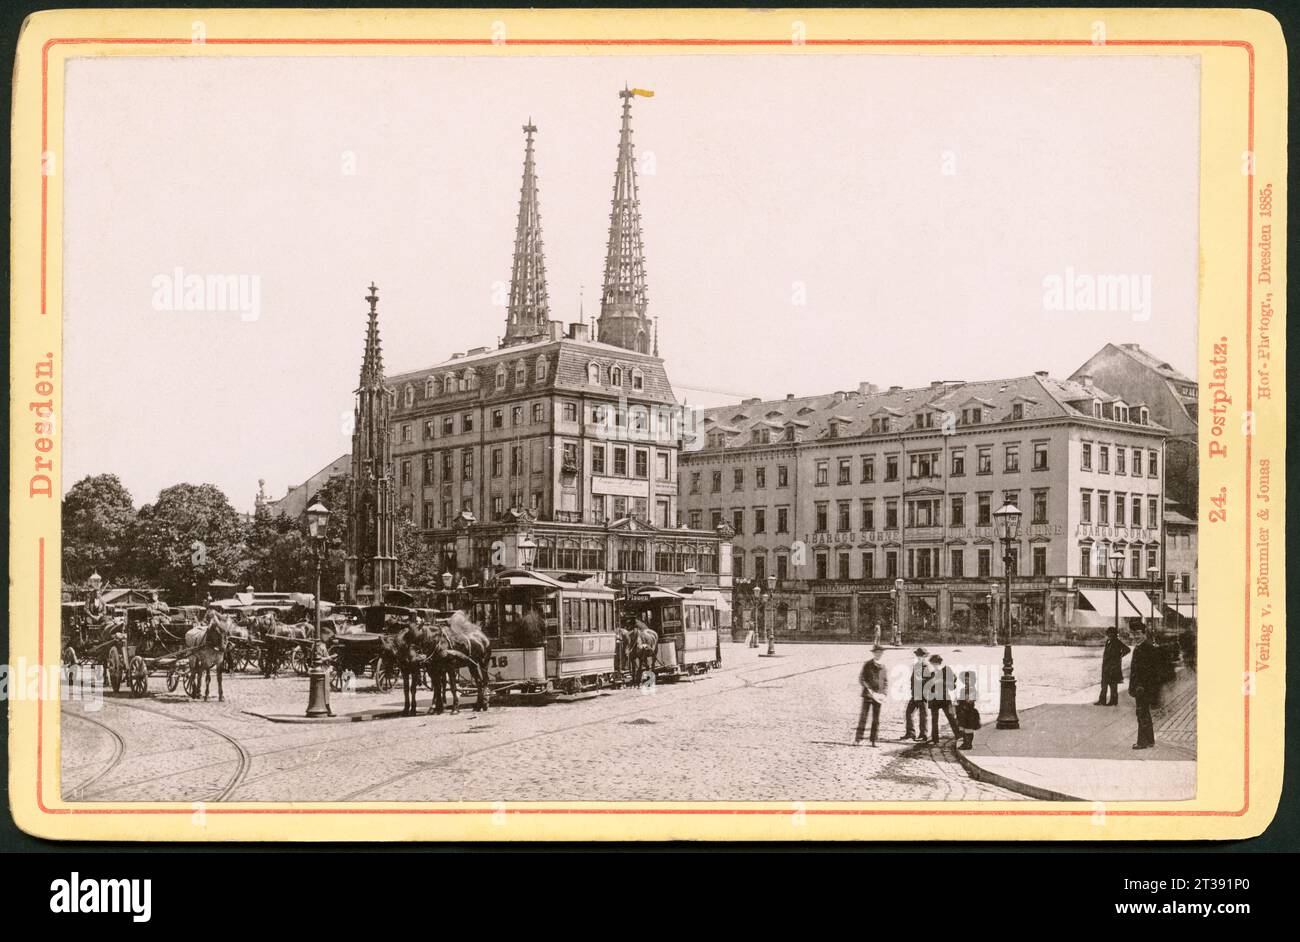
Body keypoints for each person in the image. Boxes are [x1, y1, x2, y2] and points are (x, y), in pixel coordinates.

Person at [1128, 625, 1160, 749]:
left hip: (1142, 687)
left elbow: (1149, 670)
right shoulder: (1143, 646)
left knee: (1141, 713)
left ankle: (1142, 742)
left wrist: (1141, 685)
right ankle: (1150, 740)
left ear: (1144, 633)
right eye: (1134, 634)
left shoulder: (1146, 647)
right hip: (1142, 686)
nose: (1135, 636)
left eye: (1138, 633)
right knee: (1144, 713)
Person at [924, 653, 962, 743]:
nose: (933, 665)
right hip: (933, 698)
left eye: (934, 663)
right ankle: (935, 738)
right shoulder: (930, 672)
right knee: (935, 719)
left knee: (951, 717)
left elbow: (953, 682)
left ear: (938, 663)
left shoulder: (946, 670)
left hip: (944, 697)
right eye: (932, 663)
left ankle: (958, 735)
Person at [855, 644, 888, 746]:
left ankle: (873, 740)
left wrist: (884, 693)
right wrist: (868, 689)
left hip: (878, 696)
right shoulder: (867, 664)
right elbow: (862, 678)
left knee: (876, 719)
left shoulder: (883, 667)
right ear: (874, 653)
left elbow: (885, 681)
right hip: (868, 695)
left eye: (880, 653)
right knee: (863, 717)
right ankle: (858, 739)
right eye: (877, 653)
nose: (879, 654)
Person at [1095, 626, 1131, 706]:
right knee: (1104, 684)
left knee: (1113, 685)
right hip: (1106, 666)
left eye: (1110, 633)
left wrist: (1119, 656)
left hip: (1113, 667)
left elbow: (1127, 649)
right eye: (1108, 633)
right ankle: (1102, 700)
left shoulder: (1116, 641)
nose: (1109, 635)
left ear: (1113, 634)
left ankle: (1113, 701)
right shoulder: (1108, 641)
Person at [901, 647, 930, 742]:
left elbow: (929, 681)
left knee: (923, 714)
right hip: (915, 694)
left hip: (922, 694)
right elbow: (912, 679)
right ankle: (910, 733)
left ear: (925, 657)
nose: (919, 657)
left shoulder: (926, 667)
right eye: (918, 655)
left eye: (921, 656)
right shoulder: (916, 666)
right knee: (908, 712)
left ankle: (923, 734)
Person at [955, 671, 981, 750]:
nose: (966, 682)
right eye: (965, 680)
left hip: (969, 712)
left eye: (968, 680)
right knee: (963, 728)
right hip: (963, 712)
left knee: (968, 729)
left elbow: (970, 700)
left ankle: (968, 744)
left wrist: (965, 699)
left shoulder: (973, 690)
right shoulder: (963, 689)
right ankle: (965, 742)